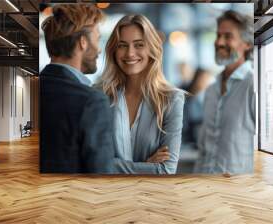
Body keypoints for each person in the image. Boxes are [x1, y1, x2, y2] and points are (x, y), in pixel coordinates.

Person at [96, 14, 185, 174]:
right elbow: (93, 163)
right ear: (114, 51)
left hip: (151, 196)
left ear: (152, 48)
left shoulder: (171, 99)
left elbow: (167, 170)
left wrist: (116, 167)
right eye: (122, 45)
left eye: (139, 45)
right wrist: (146, 165)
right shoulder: (98, 95)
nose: (130, 53)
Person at [40, 4, 114, 173]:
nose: (99, 49)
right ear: (83, 42)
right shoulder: (91, 101)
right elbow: (101, 176)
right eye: (98, 39)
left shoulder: (34, 89)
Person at [194, 10, 255, 175]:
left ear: (247, 44)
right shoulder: (211, 90)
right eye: (218, 35)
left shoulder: (253, 86)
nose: (219, 42)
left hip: (239, 193)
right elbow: (203, 149)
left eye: (228, 36)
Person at [182, 68, 212, 146]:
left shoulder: (202, 97)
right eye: (204, 79)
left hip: (195, 137)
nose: (206, 83)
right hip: (185, 138)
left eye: (207, 80)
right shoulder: (185, 95)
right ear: (197, 78)